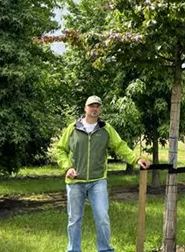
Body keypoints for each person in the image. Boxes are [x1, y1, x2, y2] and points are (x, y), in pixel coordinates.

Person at [56, 95, 150, 252]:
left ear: (100, 109)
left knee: (102, 218)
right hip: (75, 182)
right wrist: (67, 168)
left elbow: (120, 146)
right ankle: (73, 250)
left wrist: (135, 159)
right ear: (85, 108)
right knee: (74, 219)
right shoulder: (72, 128)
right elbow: (60, 150)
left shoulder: (106, 129)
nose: (94, 109)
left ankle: (105, 249)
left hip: (97, 181)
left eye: (97, 106)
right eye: (91, 105)